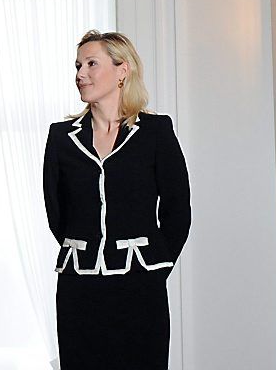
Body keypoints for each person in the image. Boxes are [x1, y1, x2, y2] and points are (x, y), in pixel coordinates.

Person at [43, 30, 190, 369]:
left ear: (122, 70)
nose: (81, 74)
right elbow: (57, 214)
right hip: (78, 287)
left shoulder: (156, 132)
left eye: (91, 64)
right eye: (78, 65)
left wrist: (155, 266)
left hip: (141, 285)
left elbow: (177, 209)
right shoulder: (61, 138)